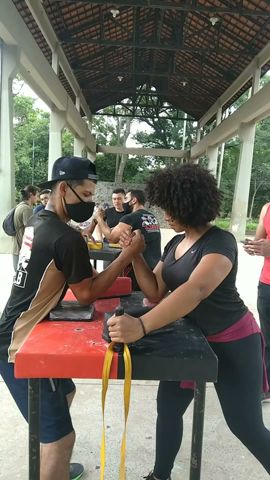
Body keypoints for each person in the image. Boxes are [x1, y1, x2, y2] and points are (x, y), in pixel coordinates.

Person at [107, 164, 270, 480]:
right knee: (168, 409)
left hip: (233, 341)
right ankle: (160, 475)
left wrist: (141, 327)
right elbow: (155, 291)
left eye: (172, 208)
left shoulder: (219, 242)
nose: (166, 215)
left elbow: (196, 290)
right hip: (190, 342)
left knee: (245, 425)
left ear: (191, 206)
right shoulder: (173, 244)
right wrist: (135, 253)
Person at [0, 156, 143, 480]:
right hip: (17, 345)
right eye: (87, 194)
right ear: (64, 189)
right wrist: (128, 257)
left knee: (65, 392)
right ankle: (54, 458)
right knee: (61, 438)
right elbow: (86, 293)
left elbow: (85, 278)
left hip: (13, 330)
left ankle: (54, 463)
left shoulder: (39, 222)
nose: (91, 202)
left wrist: (117, 275)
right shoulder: (66, 238)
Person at [93, 189, 161, 290]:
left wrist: (99, 218)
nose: (123, 202)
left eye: (125, 199)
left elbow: (112, 237)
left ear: (133, 201)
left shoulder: (131, 217)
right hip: (155, 267)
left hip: (137, 270)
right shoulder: (152, 217)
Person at [243, 202, 270, 401]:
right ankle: (266, 387)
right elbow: (260, 239)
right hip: (267, 284)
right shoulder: (267, 208)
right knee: (267, 340)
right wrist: (254, 246)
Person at [12, 185, 39, 271]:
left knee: (18, 274)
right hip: (23, 248)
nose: (37, 198)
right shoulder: (27, 209)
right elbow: (30, 228)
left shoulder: (19, 206)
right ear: (31, 195)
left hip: (17, 245)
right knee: (22, 274)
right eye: (37, 195)